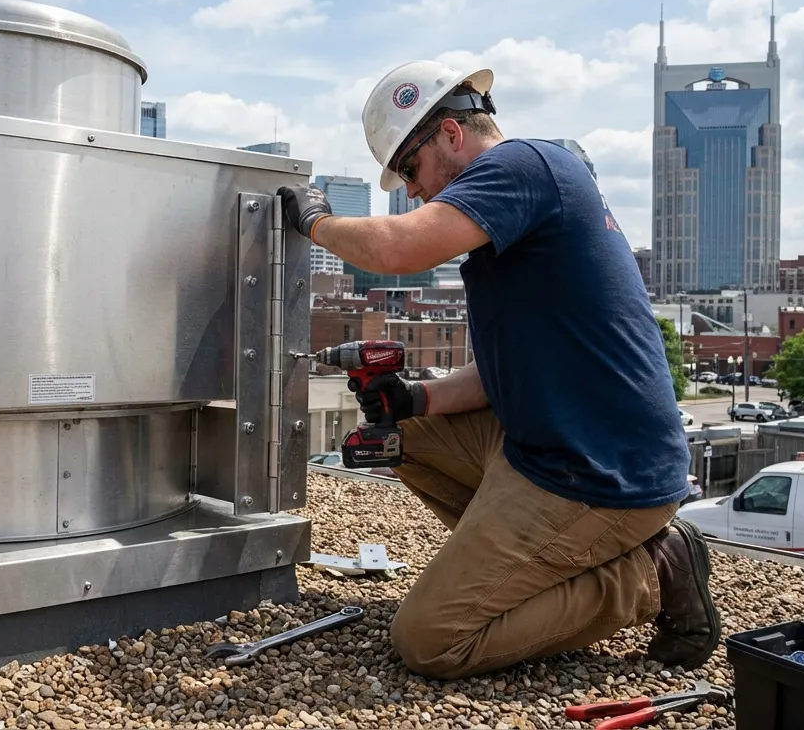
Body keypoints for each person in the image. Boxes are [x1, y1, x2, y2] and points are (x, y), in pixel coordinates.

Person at [276, 60, 720, 681]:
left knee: (430, 640)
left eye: (409, 169)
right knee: (398, 437)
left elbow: (396, 249)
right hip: (552, 447)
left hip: (600, 470)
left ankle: (651, 573)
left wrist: (315, 220)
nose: (411, 190)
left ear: (452, 135)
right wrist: (415, 403)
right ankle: (543, 566)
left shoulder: (524, 166)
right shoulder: (511, 218)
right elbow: (498, 374)